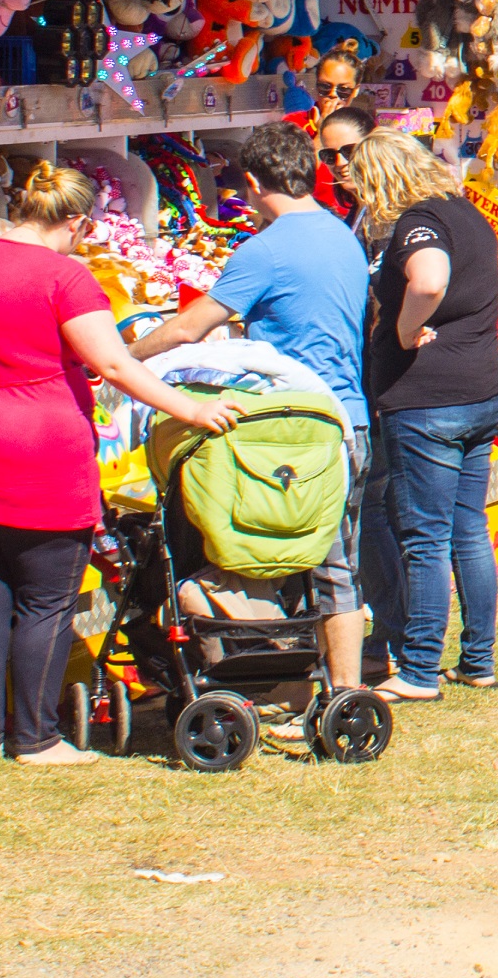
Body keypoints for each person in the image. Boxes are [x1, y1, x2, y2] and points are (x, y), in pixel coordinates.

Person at [0, 163, 240, 762]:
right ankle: (36, 740)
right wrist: (191, 409)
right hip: (32, 447)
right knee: (45, 600)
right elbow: (115, 364)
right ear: (76, 222)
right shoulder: (66, 277)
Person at [129, 123, 374, 689]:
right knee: (334, 564)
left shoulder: (263, 250)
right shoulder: (343, 235)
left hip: (293, 429)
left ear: (257, 183)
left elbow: (191, 326)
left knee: (269, 553)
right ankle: (340, 688)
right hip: (349, 420)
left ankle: (290, 685)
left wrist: (124, 358)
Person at [343, 133, 498, 702]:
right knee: (468, 530)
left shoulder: (419, 222)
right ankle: (478, 660)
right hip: (482, 389)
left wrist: (405, 331)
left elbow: (430, 278)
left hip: (431, 400)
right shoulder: (467, 212)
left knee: (426, 538)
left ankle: (417, 670)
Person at [289, 48, 367, 216]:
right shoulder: (295, 123)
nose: (333, 95)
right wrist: (321, 133)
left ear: (355, 90)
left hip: (350, 216)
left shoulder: (362, 127)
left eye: (343, 90)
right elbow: (295, 179)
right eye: (325, 87)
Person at [313, 97, 375, 224]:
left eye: (349, 151)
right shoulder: (358, 207)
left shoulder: (396, 209)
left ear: (374, 146)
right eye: (329, 154)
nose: (340, 162)